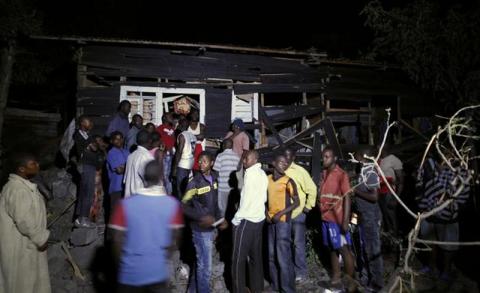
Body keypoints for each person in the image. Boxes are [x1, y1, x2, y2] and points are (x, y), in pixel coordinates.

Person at [109, 160, 184, 293]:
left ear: (143, 176)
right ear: (161, 176)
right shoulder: (172, 205)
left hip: (129, 275)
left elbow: (116, 239)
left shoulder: (125, 204)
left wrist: (122, 265)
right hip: (157, 273)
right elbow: (176, 237)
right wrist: (162, 258)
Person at [0, 152, 51, 293]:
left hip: (27, 245)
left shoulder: (25, 187)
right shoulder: (17, 190)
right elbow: (24, 221)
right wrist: (41, 238)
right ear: (21, 169)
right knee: (22, 285)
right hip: (20, 247)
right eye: (33, 163)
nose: (37, 165)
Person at [417, 154, 470, 282]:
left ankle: (446, 270)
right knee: (429, 243)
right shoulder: (427, 166)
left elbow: (463, 196)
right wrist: (422, 205)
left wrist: (452, 207)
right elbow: (419, 187)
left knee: (448, 246)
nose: (446, 156)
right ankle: (431, 266)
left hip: (448, 216)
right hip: (427, 214)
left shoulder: (461, 172)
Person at [181, 151, 227, 293]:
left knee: (201, 262)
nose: (201, 164)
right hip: (199, 230)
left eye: (204, 161)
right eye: (199, 161)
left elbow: (214, 202)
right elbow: (182, 206)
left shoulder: (215, 178)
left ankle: (192, 290)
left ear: (212, 163)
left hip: (211, 228)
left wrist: (220, 219)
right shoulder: (194, 183)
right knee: (205, 267)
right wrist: (201, 217)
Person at [231, 150, 268, 293]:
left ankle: (238, 290)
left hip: (246, 221)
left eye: (246, 158)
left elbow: (245, 202)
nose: (244, 160)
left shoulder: (250, 174)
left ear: (255, 159)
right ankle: (256, 288)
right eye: (243, 157)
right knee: (255, 258)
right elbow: (263, 199)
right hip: (259, 221)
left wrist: (235, 220)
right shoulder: (262, 173)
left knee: (237, 260)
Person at [319, 146, 355, 289]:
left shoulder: (341, 174)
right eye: (323, 156)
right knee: (331, 248)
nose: (324, 159)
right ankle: (335, 279)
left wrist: (345, 221)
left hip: (337, 219)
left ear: (334, 158)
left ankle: (350, 282)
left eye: (327, 156)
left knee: (343, 248)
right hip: (325, 218)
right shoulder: (323, 173)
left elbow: (347, 198)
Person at [266, 154, 299, 293]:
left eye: (286, 163)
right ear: (274, 163)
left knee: (283, 257)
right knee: (271, 256)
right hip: (270, 222)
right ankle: (275, 285)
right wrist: (266, 214)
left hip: (283, 223)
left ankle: (287, 289)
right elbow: (263, 199)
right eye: (281, 162)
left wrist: (280, 214)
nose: (284, 165)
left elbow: (297, 202)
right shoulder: (267, 179)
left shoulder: (288, 181)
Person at [284, 148, 317, 283]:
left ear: (293, 157)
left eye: (288, 156)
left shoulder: (300, 171)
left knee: (298, 244)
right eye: (284, 156)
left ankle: (301, 272)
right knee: (284, 243)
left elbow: (312, 189)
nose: (285, 159)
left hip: (298, 214)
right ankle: (287, 270)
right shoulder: (280, 169)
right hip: (283, 215)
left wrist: (308, 208)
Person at [354, 147, 384, 291]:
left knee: (373, 250)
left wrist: (355, 191)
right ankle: (367, 277)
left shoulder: (371, 172)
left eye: (357, 155)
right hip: (364, 215)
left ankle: (377, 283)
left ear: (363, 156)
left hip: (370, 217)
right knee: (365, 247)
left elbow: (374, 197)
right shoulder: (364, 171)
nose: (355, 158)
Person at [73, 116, 100, 228]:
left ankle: (81, 217)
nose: (91, 124)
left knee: (87, 192)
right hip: (85, 165)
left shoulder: (88, 136)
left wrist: (92, 147)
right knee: (87, 192)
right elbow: (87, 150)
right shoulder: (77, 136)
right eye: (89, 122)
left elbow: (94, 148)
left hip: (91, 165)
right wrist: (90, 147)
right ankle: (82, 218)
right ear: (82, 123)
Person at [378, 144, 404, 236]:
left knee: (391, 215)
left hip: (389, 191)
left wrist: (396, 198)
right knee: (384, 216)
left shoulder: (393, 159)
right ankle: (389, 238)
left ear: (384, 148)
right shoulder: (378, 159)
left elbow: (401, 181)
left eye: (379, 148)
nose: (377, 150)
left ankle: (395, 237)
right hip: (378, 192)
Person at [213, 138, 240, 217]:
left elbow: (216, 172)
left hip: (223, 187)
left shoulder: (220, 156)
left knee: (222, 209)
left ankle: (222, 226)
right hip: (233, 188)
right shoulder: (237, 156)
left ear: (224, 146)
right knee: (232, 209)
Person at [124, 130, 154, 198]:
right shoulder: (146, 156)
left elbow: (126, 180)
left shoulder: (131, 156)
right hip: (140, 199)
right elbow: (149, 182)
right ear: (150, 141)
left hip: (129, 199)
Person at [106, 131, 129, 217]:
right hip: (116, 187)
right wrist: (127, 166)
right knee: (115, 211)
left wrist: (124, 167)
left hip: (126, 186)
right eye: (116, 139)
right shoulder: (111, 153)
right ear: (111, 141)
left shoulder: (126, 152)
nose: (119, 141)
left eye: (121, 138)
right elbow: (119, 170)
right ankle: (111, 230)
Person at [172, 118, 196, 198]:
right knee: (186, 185)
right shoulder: (193, 135)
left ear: (180, 125)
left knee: (180, 187)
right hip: (190, 162)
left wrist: (175, 167)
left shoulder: (182, 136)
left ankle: (181, 206)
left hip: (183, 163)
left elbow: (179, 152)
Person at [156, 112, 176, 195]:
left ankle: (168, 193)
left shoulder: (172, 129)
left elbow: (173, 140)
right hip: (164, 155)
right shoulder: (159, 128)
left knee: (168, 175)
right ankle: (167, 194)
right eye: (169, 116)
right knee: (164, 175)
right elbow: (158, 140)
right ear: (164, 118)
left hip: (170, 155)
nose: (171, 117)